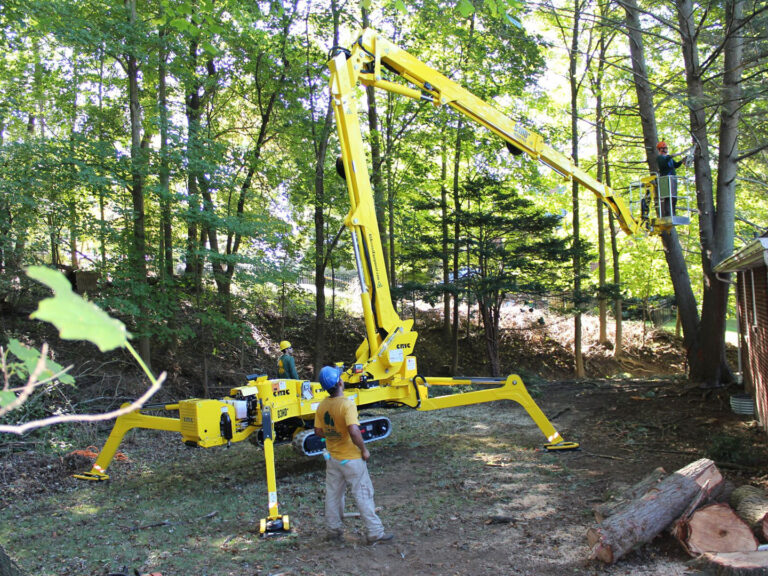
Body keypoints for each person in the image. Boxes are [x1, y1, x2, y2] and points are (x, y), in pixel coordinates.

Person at [313, 365, 393, 544]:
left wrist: (333, 434)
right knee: (363, 493)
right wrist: (364, 450)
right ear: (340, 382)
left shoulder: (322, 405)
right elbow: (354, 431)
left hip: (333, 459)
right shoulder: (347, 405)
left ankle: (333, 531)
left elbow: (318, 431)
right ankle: (374, 532)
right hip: (351, 459)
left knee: (333, 495)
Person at [655, 141, 687, 217]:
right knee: (668, 197)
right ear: (661, 149)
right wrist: (670, 156)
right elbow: (663, 165)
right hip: (665, 179)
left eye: (666, 148)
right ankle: (668, 214)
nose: (666, 149)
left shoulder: (668, 158)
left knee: (673, 198)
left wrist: (682, 161)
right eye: (665, 148)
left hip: (672, 179)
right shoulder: (660, 158)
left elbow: (675, 165)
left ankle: (673, 213)